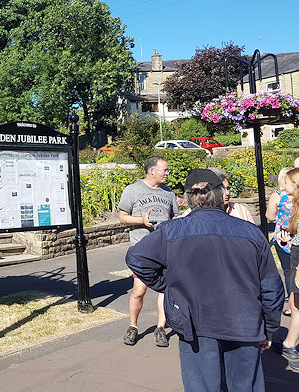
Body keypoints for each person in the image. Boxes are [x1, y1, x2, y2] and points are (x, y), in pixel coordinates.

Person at [126, 168, 285, 391]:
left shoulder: (171, 231)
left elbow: (136, 257)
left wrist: (167, 283)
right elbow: (272, 287)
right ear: (221, 196)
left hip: (196, 322)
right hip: (243, 323)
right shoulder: (251, 232)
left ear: (188, 200)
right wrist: (268, 329)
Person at [118, 156, 178, 347]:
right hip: (142, 251)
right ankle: (133, 326)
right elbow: (122, 217)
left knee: (165, 289)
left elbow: (174, 217)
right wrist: (141, 221)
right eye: (165, 170)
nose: (168, 174)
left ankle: (160, 328)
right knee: (139, 290)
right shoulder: (132, 190)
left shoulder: (168, 193)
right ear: (152, 171)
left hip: (165, 249)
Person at [277, 167, 299, 369]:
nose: (284, 186)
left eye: (287, 182)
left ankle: (290, 343)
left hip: (298, 256)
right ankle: (290, 343)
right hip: (296, 253)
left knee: (296, 303)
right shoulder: (293, 205)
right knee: (295, 303)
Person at [265, 166, 293, 304]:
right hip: (295, 235)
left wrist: (280, 218)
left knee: (288, 271)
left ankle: (292, 304)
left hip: (282, 237)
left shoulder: (277, 195)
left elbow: (269, 216)